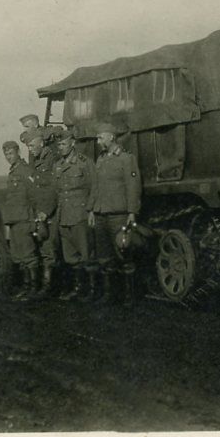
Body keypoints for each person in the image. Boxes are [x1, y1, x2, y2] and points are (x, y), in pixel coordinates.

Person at [90, 123, 143, 306]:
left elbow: (133, 187)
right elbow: (95, 188)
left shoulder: (127, 159)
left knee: (123, 253)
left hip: (118, 215)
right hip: (101, 214)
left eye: (100, 138)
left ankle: (129, 296)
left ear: (111, 137)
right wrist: (91, 210)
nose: (98, 142)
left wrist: (132, 212)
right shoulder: (101, 160)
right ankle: (109, 294)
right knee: (104, 256)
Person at [52, 131, 98, 300]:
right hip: (64, 215)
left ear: (72, 143)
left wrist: (91, 209)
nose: (60, 148)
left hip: (80, 214)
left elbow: (94, 187)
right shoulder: (57, 165)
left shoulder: (84, 163)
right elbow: (56, 191)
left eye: (63, 144)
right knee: (70, 257)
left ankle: (92, 290)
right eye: (58, 145)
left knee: (87, 254)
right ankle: (79, 289)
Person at [1, 140, 43, 300]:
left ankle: (33, 289)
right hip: (14, 219)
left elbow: (34, 195)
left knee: (29, 256)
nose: (8, 157)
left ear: (18, 152)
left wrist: (35, 218)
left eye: (11, 153)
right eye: (6, 154)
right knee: (19, 256)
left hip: (25, 218)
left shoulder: (25, 170)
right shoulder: (13, 172)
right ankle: (26, 288)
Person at [26, 130, 60, 296]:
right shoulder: (36, 160)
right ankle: (40, 286)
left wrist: (45, 212)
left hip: (48, 212)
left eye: (32, 145)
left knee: (48, 250)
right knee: (40, 247)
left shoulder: (51, 160)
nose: (30, 149)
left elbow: (54, 189)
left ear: (41, 143)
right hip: (38, 210)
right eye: (28, 146)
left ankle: (48, 288)